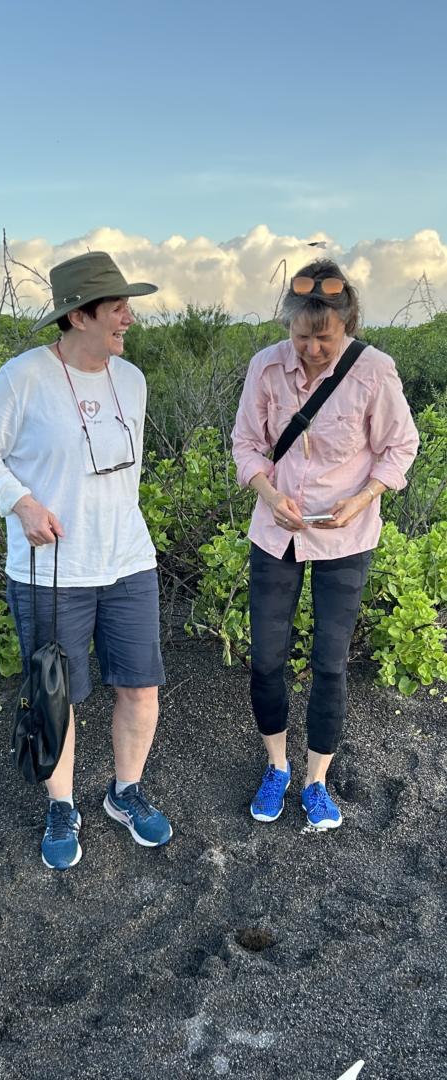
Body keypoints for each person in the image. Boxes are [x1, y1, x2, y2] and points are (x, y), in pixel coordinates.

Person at [0, 251, 173, 872]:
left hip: (129, 561)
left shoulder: (130, 380)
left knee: (141, 687)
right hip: (50, 569)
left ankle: (124, 793)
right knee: (60, 694)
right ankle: (63, 805)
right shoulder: (24, 377)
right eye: (117, 308)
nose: (128, 319)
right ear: (79, 316)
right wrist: (21, 503)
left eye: (127, 307)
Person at [232, 259, 419, 829]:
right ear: (288, 327)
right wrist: (266, 492)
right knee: (266, 660)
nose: (312, 349)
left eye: (325, 337)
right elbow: (245, 443)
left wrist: (360, 501)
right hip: (276, 533)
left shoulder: (374, 371)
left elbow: (399, 447)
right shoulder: (264, 368)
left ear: (349, 325)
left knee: (330, 665)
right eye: (302, 335)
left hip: (346, 536)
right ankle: (277, 768)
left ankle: (316, 780)